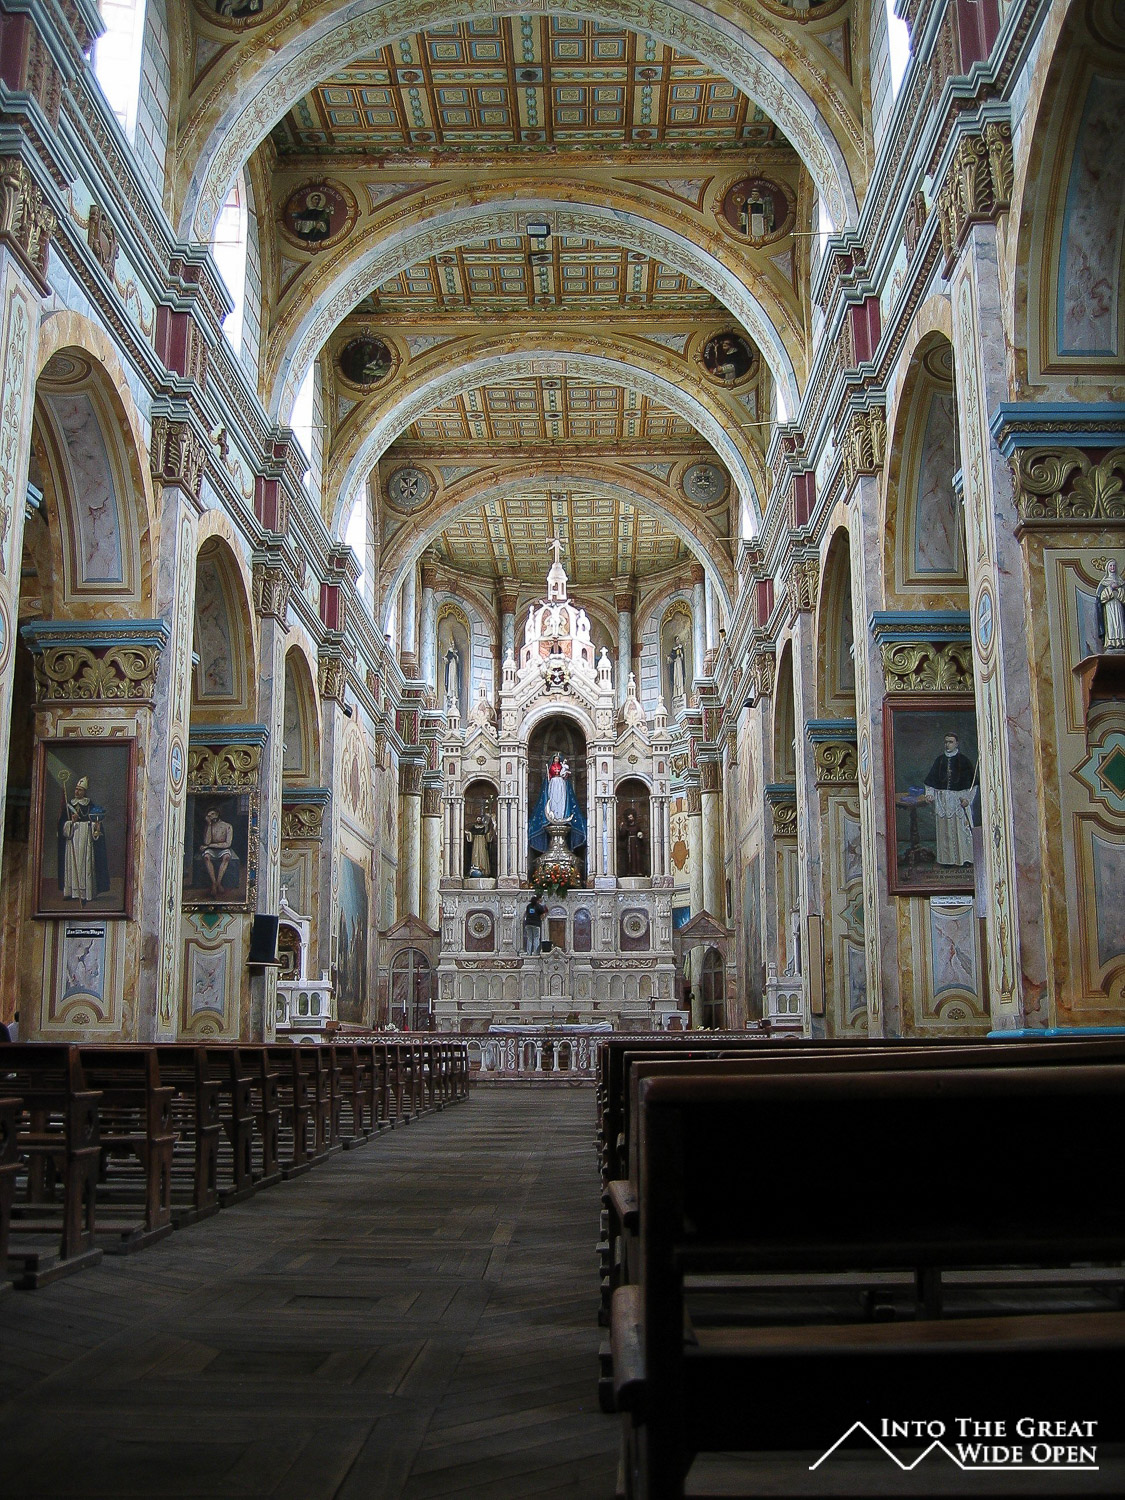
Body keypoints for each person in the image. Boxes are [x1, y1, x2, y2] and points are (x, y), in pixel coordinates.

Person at [922, 733, 977, 866]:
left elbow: (973, 785)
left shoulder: (964, 761)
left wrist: (968, 799)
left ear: (956, 744)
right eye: (946, 742)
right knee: (944, 830)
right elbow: (930, 782)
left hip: (959, 800)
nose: (948, 744)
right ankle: (946, 860)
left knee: (961, 830)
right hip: (943, 800)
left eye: (951, 742)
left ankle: (965, 859)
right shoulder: (939, 760)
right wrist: (929, 794)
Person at [57, 775, 109, 905]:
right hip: (72, 838)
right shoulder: (69, 805)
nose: (77, 792)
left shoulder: (90, 805)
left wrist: (95, 826)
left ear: (84, 791)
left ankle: (85, 893)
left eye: (80, 790)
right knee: (71, 865)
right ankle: (71, 892)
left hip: (85, 839)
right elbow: (62, 824)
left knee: (85, 865)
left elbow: (95, 823)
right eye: (76, 789)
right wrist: (71, 822)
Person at [199, 806, 239, 896]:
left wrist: (208, 846)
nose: (210, 816)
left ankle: (218, 882)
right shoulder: (208, 826)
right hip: (211, 850)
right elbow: (206, 842)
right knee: (206, 857)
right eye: (209, 815)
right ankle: (214, 883)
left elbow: (227, 844)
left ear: (217, 814)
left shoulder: (227, 826)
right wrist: (209, 825)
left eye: (212, 814)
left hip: (223, 849)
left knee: (226, 857)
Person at [1096, 557, 1125, 651]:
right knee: (1111, 624)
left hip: (1118, 605)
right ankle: (1111, 643)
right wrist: (1111, 588)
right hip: (1109, 607)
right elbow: (1101, 597)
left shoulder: (1120, 582)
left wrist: (1119, 590)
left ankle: (1121, 642)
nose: (1112, 568)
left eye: (1114, 566)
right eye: (1111, 566)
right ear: (1107, 568)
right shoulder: (1104, 583)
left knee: (1119, 623)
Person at [465, 806, 496, 877]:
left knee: (482, 854)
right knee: (475, 854)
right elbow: (471, 834)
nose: (479, 820)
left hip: (482, 842)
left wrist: (490, 834)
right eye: (478, 819)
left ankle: (484, 871)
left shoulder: (484, 827)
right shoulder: (474, 827)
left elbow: (487, 834)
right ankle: (475, 869)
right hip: (476, 842)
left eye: (480, 819)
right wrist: (468, 833)